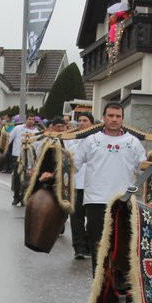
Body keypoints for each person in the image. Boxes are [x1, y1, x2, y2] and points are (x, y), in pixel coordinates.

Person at [71, 102, 146, 260]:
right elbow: (73, 165)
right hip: (95, 201)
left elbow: (144, 170)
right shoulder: (91, 140)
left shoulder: (133, 143)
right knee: (98, 250)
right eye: (110, 116)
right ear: (104, 118)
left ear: (122, 119)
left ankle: (118, 285)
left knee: (121, 249)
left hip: (123, 201)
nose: (114, 119)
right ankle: (98, 284)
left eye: (118, 116)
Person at [69, 111, 94, 260]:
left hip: (92, 186)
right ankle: (79, 247)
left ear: (92, 123)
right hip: (76, 185)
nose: (82, 123)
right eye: (80, 120)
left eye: (85, 120)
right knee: (76, 218)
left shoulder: (97, 141)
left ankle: (90, 246)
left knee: (92, 220)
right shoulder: (73, 142)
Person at [8, 114, 40, 206]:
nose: (31, 121)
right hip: (18, 156)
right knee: (17, 177)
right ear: (26, 120)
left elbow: (37, 145)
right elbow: (9, 139)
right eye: (29, 119)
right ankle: (16, 196)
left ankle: (24, 197)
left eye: (33, 119)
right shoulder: (18, 128)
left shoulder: (36, 131)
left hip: (30, 158)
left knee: (27, 178)